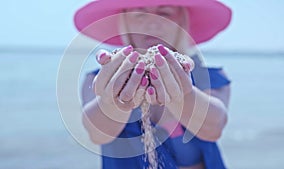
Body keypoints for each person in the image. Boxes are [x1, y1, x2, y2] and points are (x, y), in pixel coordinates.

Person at [75, 0, 232, 169]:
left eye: (165, 12)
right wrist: (113, 101)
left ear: (182, 21)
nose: (152, 23)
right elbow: (97, 133)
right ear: (125, 22)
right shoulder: (100, 80)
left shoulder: (210, 78)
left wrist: (184, 94)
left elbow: (214, 128)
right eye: (139, 14)